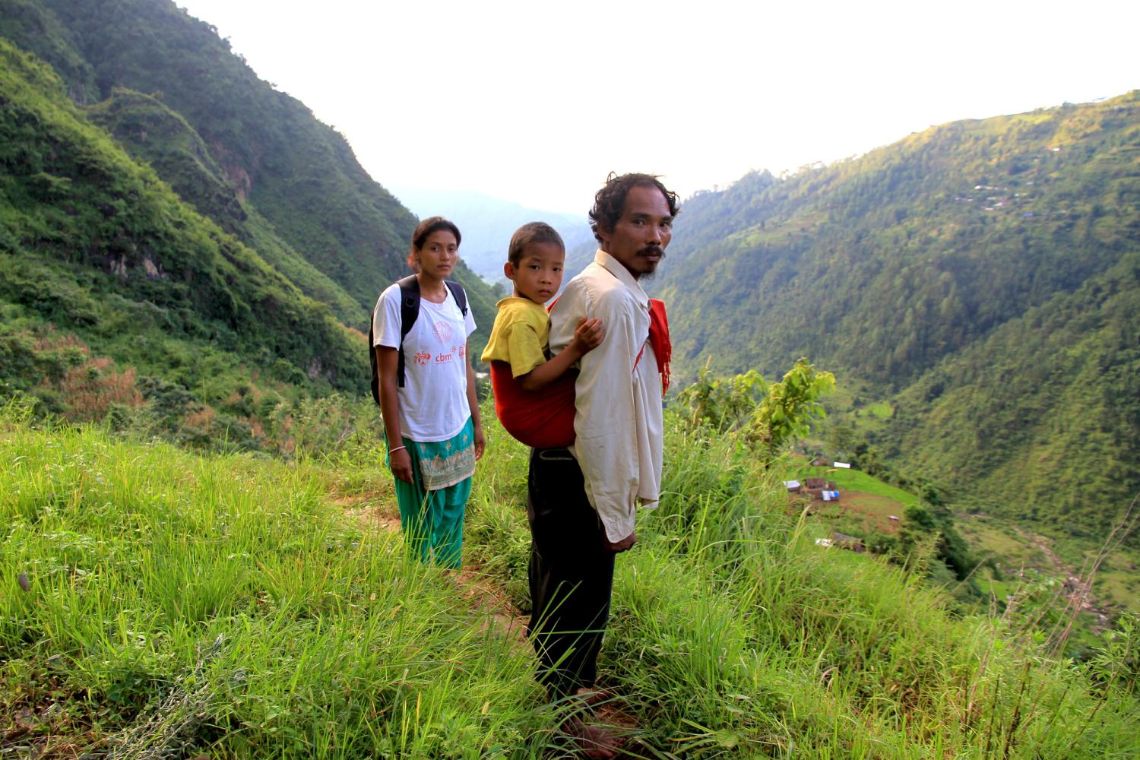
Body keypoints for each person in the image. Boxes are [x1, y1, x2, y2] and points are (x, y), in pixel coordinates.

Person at [527, 174, 678, 757]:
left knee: (559, 594)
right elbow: (604, 419)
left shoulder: (606, 288)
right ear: (606, 227)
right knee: (577, 605)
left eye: (663, 223)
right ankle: (558, 731)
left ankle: (554, 705)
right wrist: (616, 514)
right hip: (583, 479)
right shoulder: (611, 299)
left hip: (564, 472)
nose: (656, 236)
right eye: (640, 222)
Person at [372, 216, 485, 568]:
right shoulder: (396, 301)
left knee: (453, 515)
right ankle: (419, 594)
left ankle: (447, 585)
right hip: (417, 434)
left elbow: (463, 365)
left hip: (457, 428)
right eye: (434, 248)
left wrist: (477, 423)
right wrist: (395, 446)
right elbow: (386, 380)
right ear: (416, 254)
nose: (444, 256)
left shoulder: (458, 296)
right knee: (420, 523)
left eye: (451, 249)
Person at [480, 222, 604, 448]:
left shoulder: (530, 307)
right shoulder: (520, 317)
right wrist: (577, 347)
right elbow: (531, 381)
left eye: (556, 269)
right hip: (533, 419)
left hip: (533, 413)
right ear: (511, 271)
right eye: (535, 267)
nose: (547, 278)